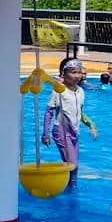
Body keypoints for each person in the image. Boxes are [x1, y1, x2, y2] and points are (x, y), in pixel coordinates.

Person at [42, 59, 98, 189]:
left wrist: (91, 125)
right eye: (73, 72)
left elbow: (80, 113)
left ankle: (68, 188)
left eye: (79, 72)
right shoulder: (58, 91)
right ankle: (71, 192)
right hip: (61, 131)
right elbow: (49, 112)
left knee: (72, 166)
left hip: (74, 132)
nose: (77, 76)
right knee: (73, 165)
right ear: (64, 73)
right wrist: (45, 134)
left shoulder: (80, 91)